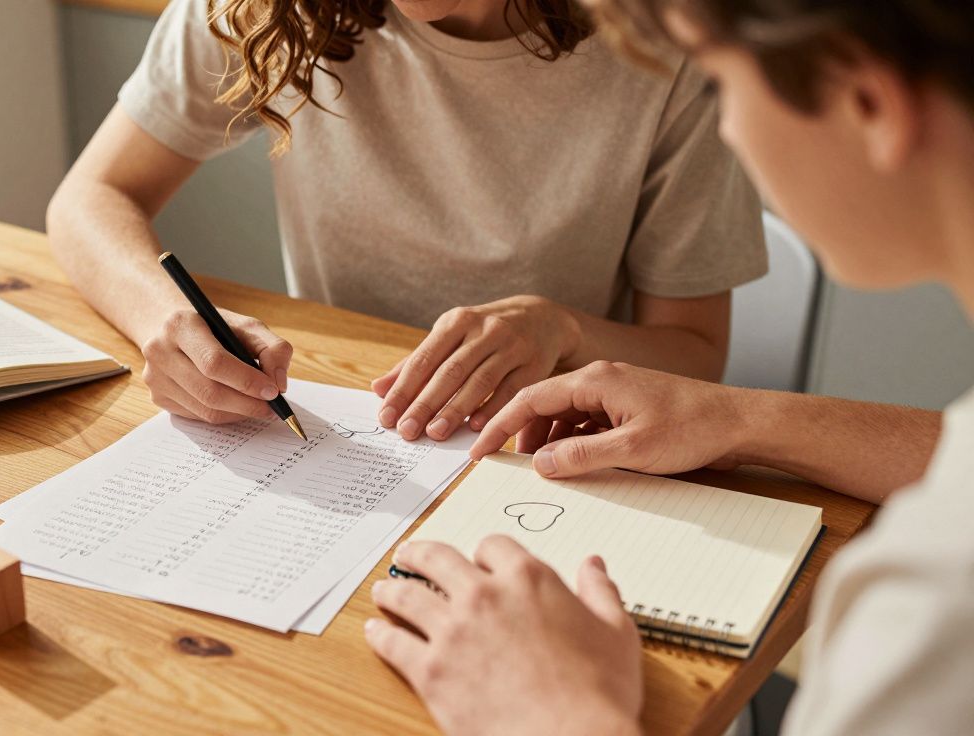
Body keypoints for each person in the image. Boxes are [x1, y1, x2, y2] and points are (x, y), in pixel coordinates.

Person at [363, 0, 970, 733]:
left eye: (719, 84)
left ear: (867, 102)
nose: (726, 129)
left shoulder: (933, 608)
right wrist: (740, 419)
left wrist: (560, 712)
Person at [48, 0, 767, 442]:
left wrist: (564, 329)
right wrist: (163, 317)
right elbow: (91, 196)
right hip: (341, 424)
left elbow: (697, 352)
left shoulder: (666, 47)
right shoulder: (270, 9)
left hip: (537, 445)